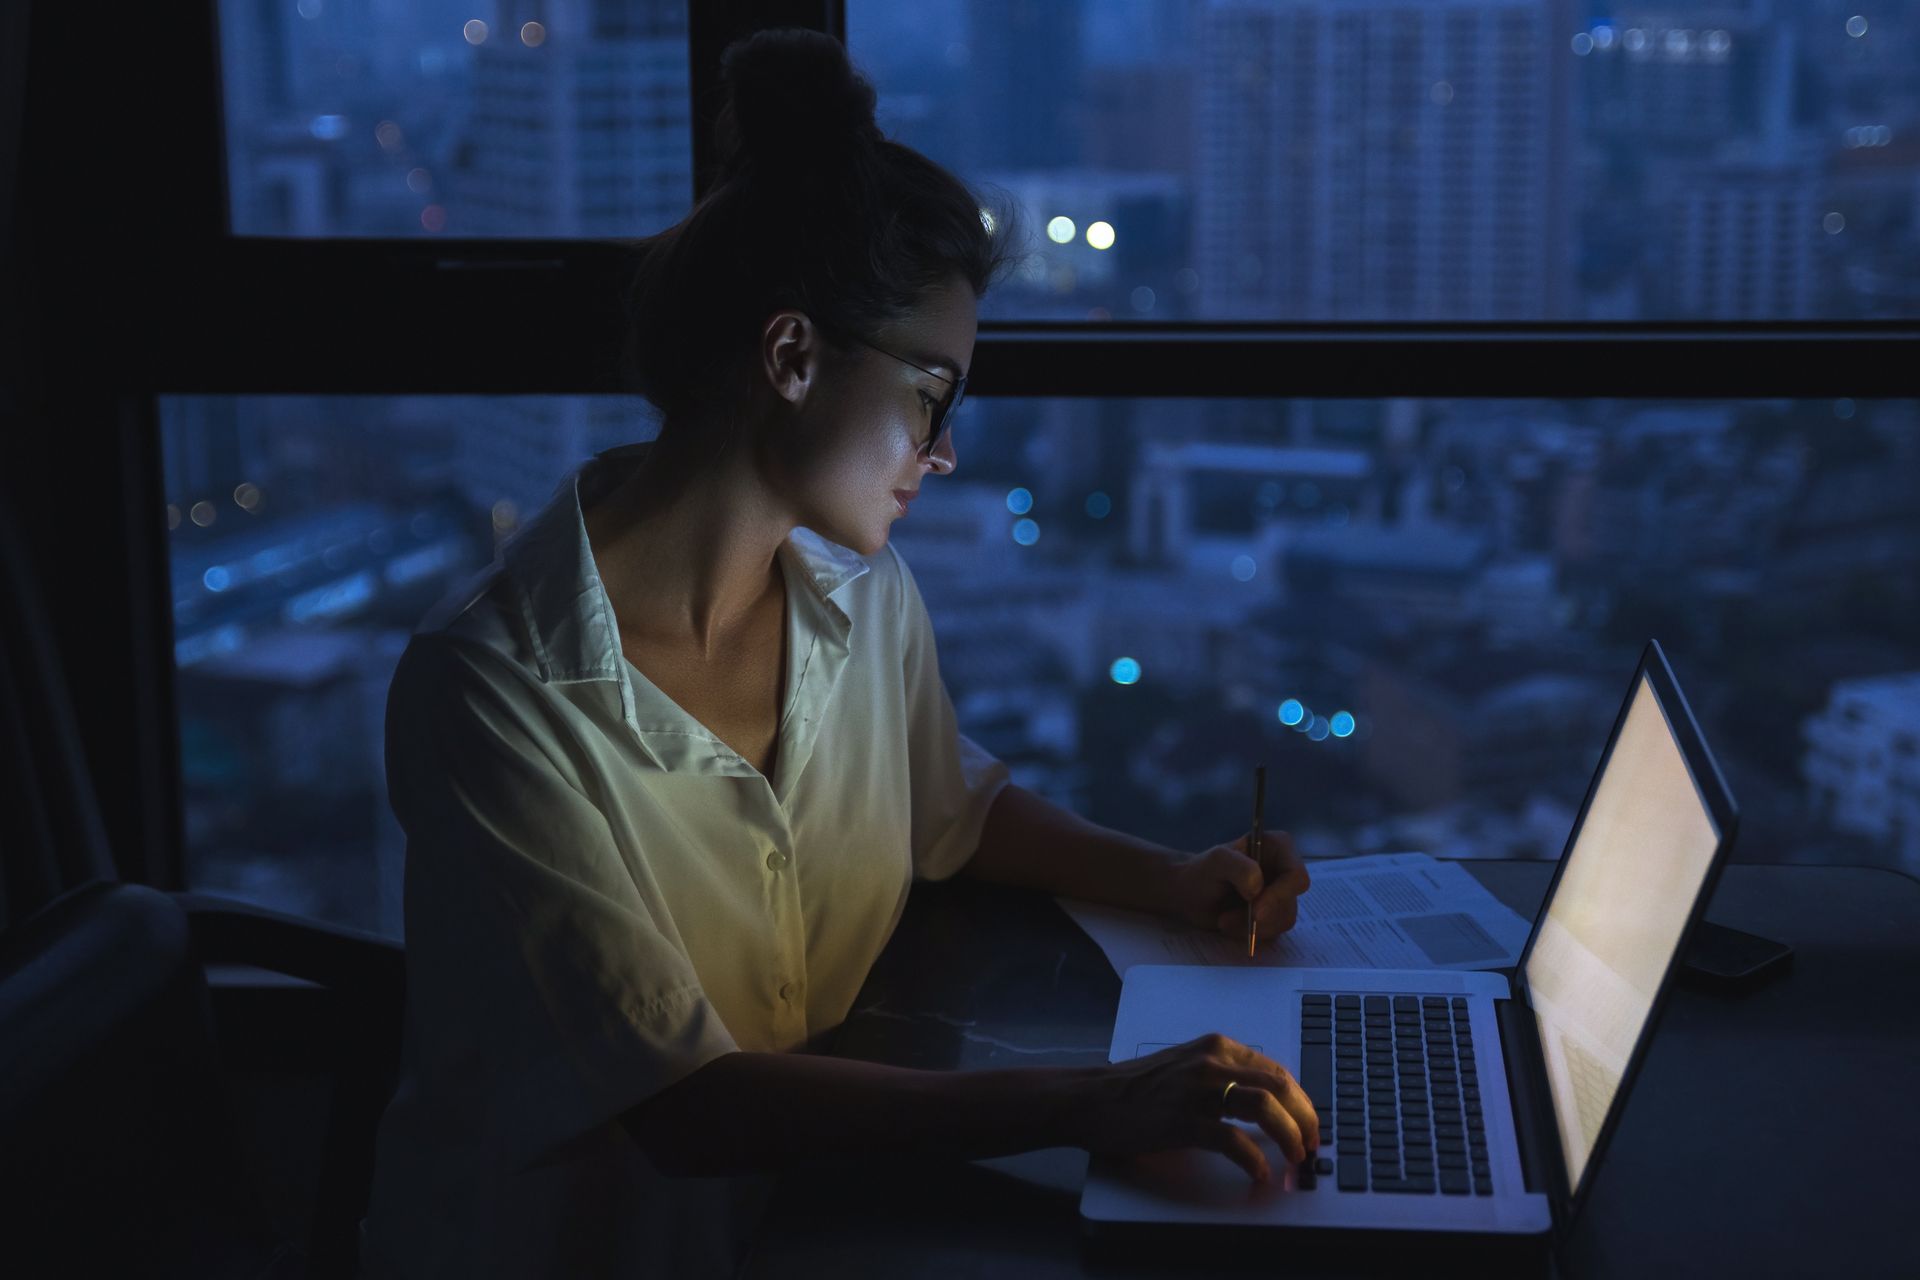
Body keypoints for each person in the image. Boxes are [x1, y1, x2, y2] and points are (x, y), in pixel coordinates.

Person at [356, 26, 1316, 1279]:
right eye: (933, 394)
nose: (944, 450)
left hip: (806, 1223)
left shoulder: (861, 599)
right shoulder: (494, 694)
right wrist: (1098, 1098)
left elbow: (949, 807)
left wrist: (1170, 877)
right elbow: (689, 1105)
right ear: (793, 356)